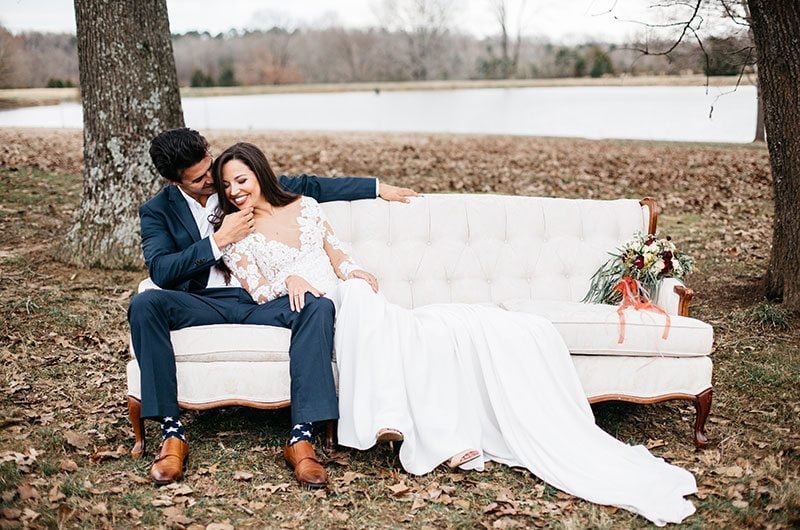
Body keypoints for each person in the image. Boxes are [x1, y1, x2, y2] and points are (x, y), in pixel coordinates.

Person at [212, 141, 699, 527]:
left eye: (242, 178)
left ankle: (449, 431)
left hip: (349, 296)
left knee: (443, 330)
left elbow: (338, 254)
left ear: (259, 172)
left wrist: (357, 271)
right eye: (226, 184)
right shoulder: (236, 230)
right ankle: (443, 435)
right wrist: (294, 280)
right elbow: (257, 289)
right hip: (311, 308)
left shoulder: (306, 205)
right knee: (397, 323)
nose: (235, 190)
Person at [127, 128, 417, 488]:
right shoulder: (156, 211)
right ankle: (172, 434)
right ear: (175, 181)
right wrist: (219, 240)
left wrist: (377, 188)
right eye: (199, 178)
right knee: (145, 303)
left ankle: (301, 438)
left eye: (209, 168)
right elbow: (163, 270)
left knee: (317, 306)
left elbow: (310, 187)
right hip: (203, 303)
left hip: (264, 300)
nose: (212, 181)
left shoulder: (233, 179)